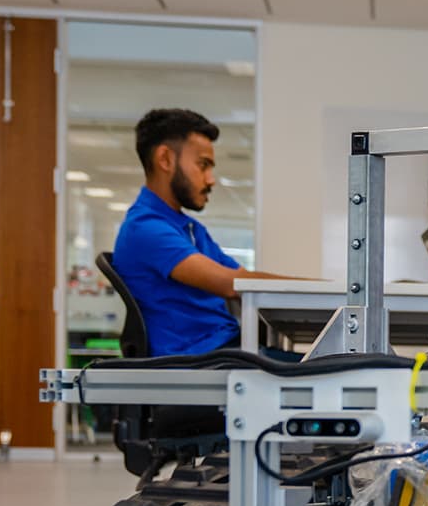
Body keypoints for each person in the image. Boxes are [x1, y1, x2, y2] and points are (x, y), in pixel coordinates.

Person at [112, 108, 300, 356]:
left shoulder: (187, 228)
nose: (210, 179)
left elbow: (241, 277)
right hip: (200, 357)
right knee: (331, 373)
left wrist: (327, 289)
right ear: (165, 159)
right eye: (203, 165)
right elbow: (231, 285)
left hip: (222, 350)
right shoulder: (146, 229)